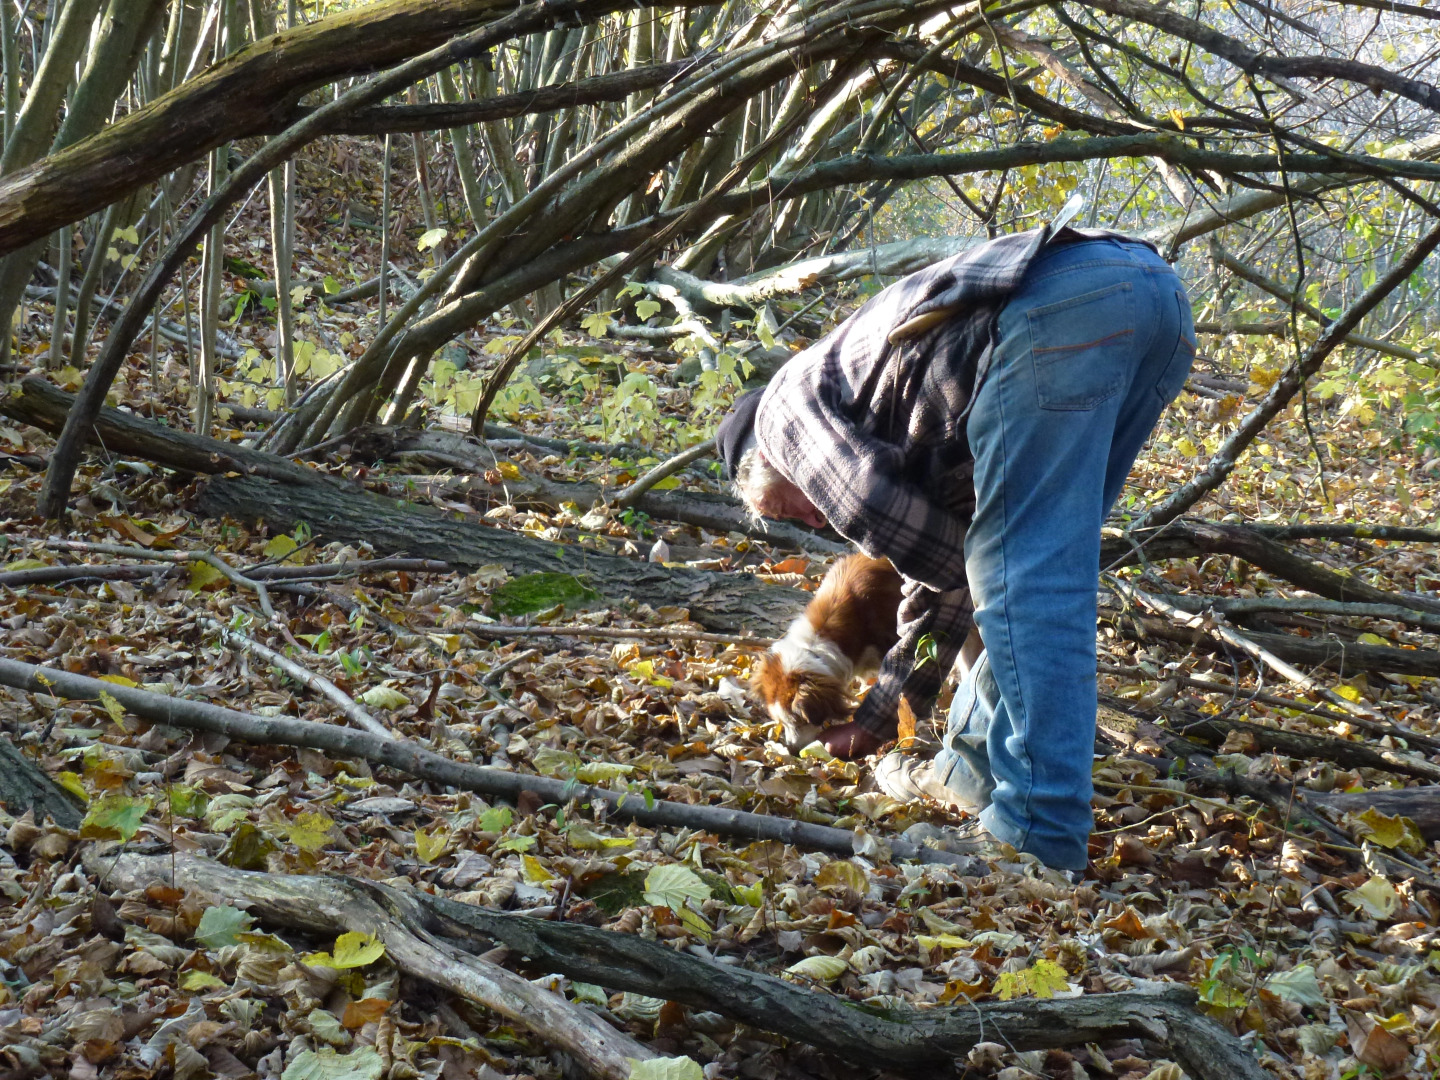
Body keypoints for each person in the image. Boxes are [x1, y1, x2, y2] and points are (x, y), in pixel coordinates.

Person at [715, 223, 1195, 871]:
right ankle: (973, 776)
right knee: (1038, 567)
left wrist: (896, 695)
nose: (812, 522)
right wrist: (886, 713)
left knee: (1025, 582)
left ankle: (1036, 836)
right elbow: (942, 562)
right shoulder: (871, 397)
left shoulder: (780, 416)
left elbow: (892, 525)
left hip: (1058, 310)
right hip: (1154, 301)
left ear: (768, 464)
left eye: (789, 507)